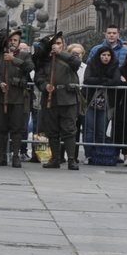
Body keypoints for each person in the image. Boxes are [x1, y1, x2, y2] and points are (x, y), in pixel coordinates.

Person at [36, 34, 83, 170]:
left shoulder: (69, 57)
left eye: (59, 43)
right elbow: (39, 78)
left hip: (68, 98)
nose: (57, 45)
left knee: (69, 130)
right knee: (52, 131)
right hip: (51, 98)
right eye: (54, 43)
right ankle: (55, 159)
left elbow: (76, 63)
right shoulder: (44, 60)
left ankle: (71, 160)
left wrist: (60, 53)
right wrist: (45, 85)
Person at [0, 29, 31, 168]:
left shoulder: (24, 55)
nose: (12, 42)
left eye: (15, 40)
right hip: (2, 97)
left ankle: (16, 156)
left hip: (17, 98)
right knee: (2, 128)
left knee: (17, 129)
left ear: (19, 42)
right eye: (10, 40)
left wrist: (14, 60)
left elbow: (29, 67)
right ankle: (2, 156)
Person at [83, 45, 121, 165]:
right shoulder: (92, 64)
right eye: (103, 55)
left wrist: (100, 80)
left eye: (108, 55)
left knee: (101, 130)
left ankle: (99, 154)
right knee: (89, 130)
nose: (106, 57)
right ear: (99, 56)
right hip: (90, 103)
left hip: (106, 104)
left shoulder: (114, 65)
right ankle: (88, 154)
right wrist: (105, 80)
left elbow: (116, 81)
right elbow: (87, 79)